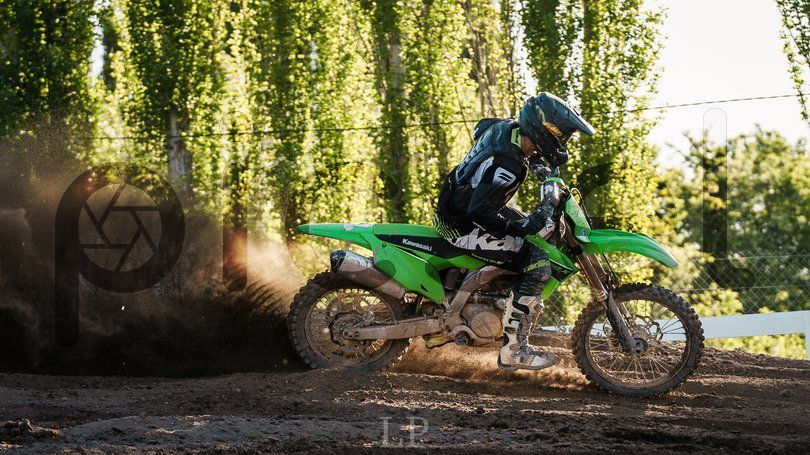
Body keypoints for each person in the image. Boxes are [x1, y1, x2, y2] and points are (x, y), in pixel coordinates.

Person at [433, 92, 595, 370]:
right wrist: (516, 229)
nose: (563, 141)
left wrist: (535, 163)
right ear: (543, 128)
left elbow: (481, 129)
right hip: (462, 224)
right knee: (539, 264)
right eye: (560, 134)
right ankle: (513, 350)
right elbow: (479, 211)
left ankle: (496, 299)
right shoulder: (508, 164)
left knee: (528, 239)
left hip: (456, 207)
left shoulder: (506, 128)